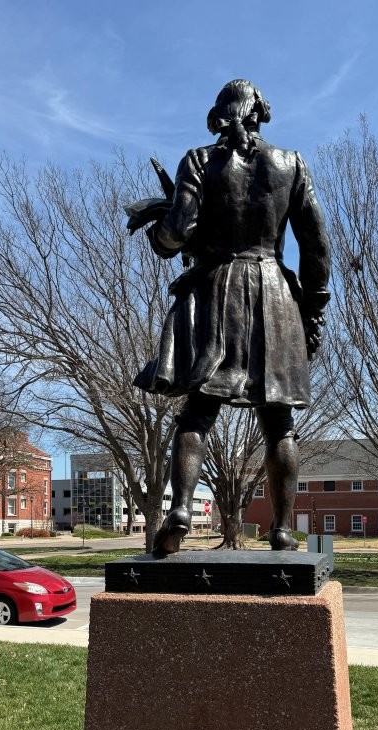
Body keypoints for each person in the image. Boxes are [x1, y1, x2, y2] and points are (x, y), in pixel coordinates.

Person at [133, 79, 331, 555]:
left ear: (221, 114)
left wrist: (160, 233)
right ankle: (281, 530)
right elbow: (316, 246)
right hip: (275, 296)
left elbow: (177, 231)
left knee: (197, 410)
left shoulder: (199, 161)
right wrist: (314, 311)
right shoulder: (291, 163)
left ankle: (182, 508)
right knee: (279, 420)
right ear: (259, 113)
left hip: (217, 290)